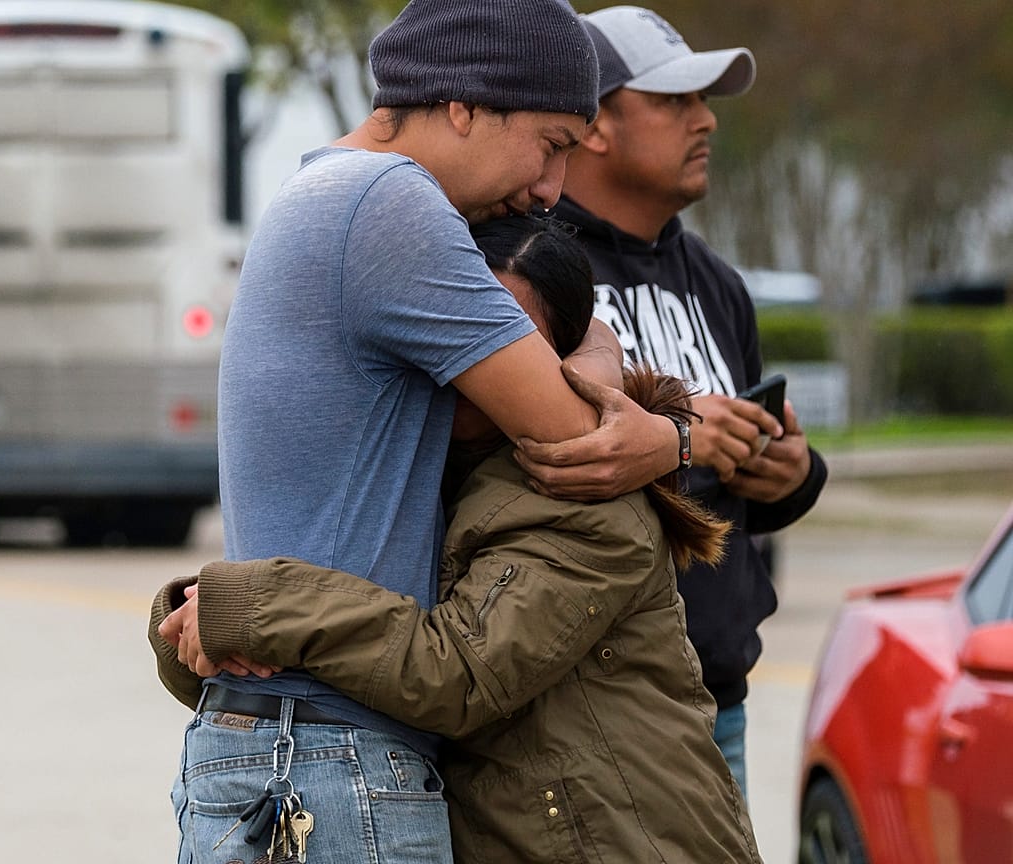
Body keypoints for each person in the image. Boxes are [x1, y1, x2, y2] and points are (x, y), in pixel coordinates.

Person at [162, 1, 690, 862]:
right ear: (465, 105)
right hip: (330, 756)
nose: (553, 191)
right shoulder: (390, 204)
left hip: (282, 742)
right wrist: (632, 388)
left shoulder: (319, 189)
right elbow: (575, 440)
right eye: (553, 143)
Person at [152, 215, 763, 863]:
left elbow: (460, 675)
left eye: (505, 341)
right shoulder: (426, 467)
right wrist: (197, 621)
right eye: (456, 329)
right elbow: (317, 651)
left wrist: (253, 607)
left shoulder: (585, 495)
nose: (469, 359)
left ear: (554, 358)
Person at [532, 4, 830, 793]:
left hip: (720, 703)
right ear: (592, 124)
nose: (706, 122)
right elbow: (530, 471)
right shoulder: (533, 271)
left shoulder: (717, 282)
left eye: (705, 101)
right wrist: (687, 437)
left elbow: (741, 511)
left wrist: (790, 473)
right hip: (598, 712)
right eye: (674, 100)